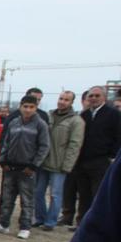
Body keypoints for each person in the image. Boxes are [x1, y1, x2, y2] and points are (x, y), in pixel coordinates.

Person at [0, 95, 51, 238]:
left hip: (28, 169)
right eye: (25, 106)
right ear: (20, 106)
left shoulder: (40, 125)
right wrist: (3, 161)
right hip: (10, 167)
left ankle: (25, 227)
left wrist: (34, 166)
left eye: (31, 107)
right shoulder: (14, 122)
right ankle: (3, 224)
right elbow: (6, 142)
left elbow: (44, 147)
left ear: (36, 108)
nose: (28, 110)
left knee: (27, 199)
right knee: (7, 197)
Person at [65, 86, 121, 229]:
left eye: (97, 96)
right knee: (84, 194)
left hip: (101, 161)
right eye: (91, 96)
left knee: (98, 194)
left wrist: (114, 157)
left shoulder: (113, 114)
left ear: (104, 97)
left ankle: (97, 224)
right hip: (82, 161)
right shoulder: (84, 115)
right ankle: (82, 223)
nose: (93, 98)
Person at [35, 91, 83, 230]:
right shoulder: (48, 116)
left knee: (55, 194)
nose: (62, 102)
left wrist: (68, 165)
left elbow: (75, 144)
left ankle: (50, 222)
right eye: (61, 98)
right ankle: (40, 218)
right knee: (38, 192)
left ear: (72, 102)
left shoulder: (76, 121)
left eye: (66, 100)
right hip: (44, 161)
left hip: (60, 164)